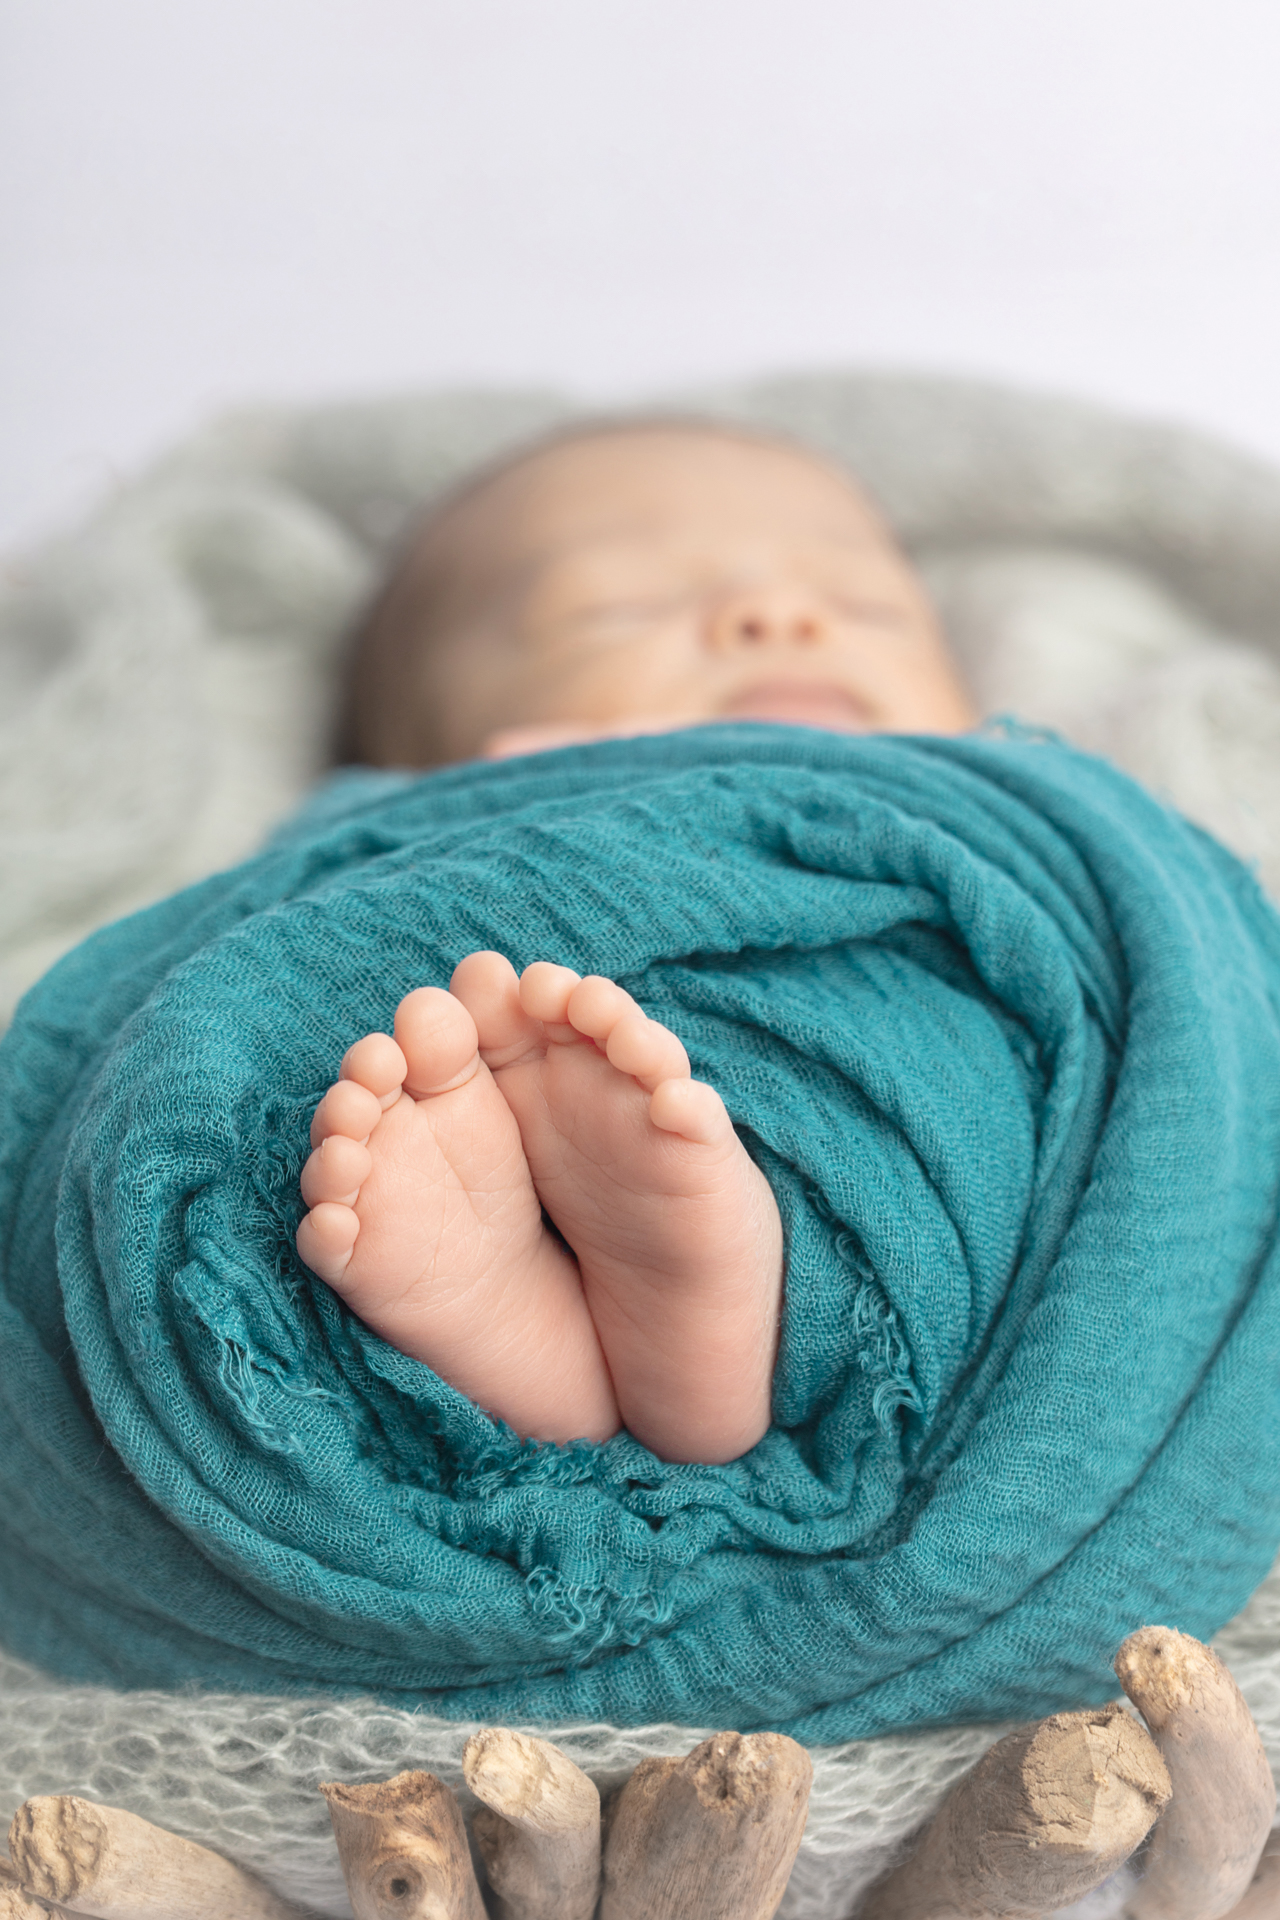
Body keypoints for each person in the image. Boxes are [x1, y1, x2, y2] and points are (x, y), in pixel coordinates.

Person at [296, 422, 977, 1467]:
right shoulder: (459, 814)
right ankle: (567, 1314)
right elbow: (292, 930)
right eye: (611, 608)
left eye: (866, 605)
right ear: (421, 762)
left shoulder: (995, 814)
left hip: (918, 1059)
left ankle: (615, 1351)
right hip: (588, 1022)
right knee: (471, 1062)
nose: (778, 615)